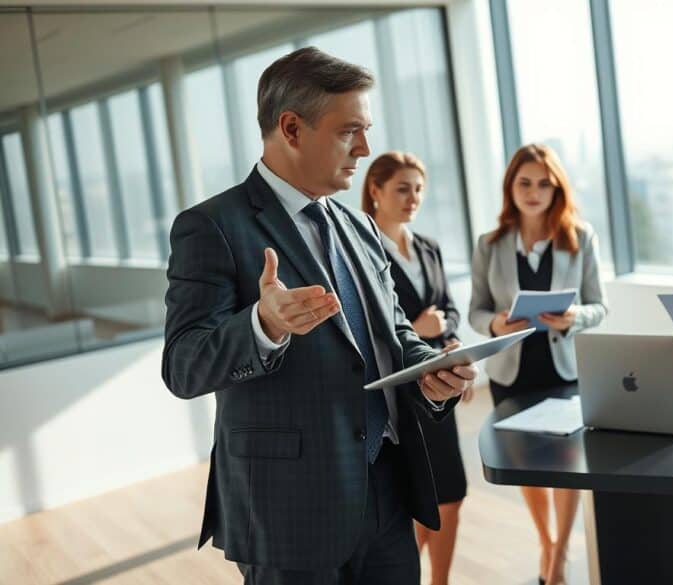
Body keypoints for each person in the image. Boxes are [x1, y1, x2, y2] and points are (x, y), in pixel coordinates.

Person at [161, 47, 476, 585]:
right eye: (349, 131)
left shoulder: (360, 228)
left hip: (389, 495)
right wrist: (263, 327)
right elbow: (184, 366)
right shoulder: (211, 226)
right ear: (291, 128)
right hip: (289, 510)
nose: (366, 148)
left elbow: (395, 334)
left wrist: (429, 372)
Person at [469, 143, 607, 585]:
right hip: (512, 370)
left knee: (567, 464)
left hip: (563, 368)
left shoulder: (579, 237)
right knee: (525, 461)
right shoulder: (489, 245)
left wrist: (573, 317)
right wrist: (493, 323)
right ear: (511, 186)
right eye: (524, 182)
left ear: (556, 188)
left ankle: (560, 553)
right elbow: (476, 310)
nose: (533, 191)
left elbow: (599, 306)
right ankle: (546, 541)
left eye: (543, 183)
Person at [361, 151, 468, 585]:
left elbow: (450, 309)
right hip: (403, 396)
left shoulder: (429, 248)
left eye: (418, 189)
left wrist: (452, 342)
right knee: (418, 500)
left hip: (440, 388)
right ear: (376, 191)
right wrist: (420, 331)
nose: (413, 198)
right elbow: (372, 327)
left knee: (452, 496)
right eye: (402, 188)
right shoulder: (364, 253)